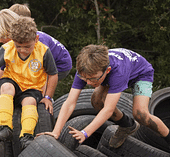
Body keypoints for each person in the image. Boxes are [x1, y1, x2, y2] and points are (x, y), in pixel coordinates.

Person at [37, 44, 170, 148]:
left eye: (93, 79)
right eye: (85, 79)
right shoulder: (85, 71)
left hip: (140, 73)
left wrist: (85, 132)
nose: (88, 83)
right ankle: (127, 125)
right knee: (96, 101)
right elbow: (70, 102)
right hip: (112, 73)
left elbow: (108, 110)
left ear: (107, 71)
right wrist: (56, 131)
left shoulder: (117, 72)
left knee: (140, 114)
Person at [0, 16, 58, 150]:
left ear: (36, 39)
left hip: (32, 88)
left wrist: (48, 97)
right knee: (6, 87)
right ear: (13, 41)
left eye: (27, 47)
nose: (23, 50)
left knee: (30, 102)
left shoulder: (44, 51)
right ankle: (6, 127)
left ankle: (27, 136)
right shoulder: (7, 48)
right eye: (18, 46)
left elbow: (53, 74)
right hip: (12, 82)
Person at [0, 8, 72, 111]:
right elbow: (3, 71)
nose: (0, 40)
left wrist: (46, 97)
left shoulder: (36, 42)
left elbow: (47, 74)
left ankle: (45, 105)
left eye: (2, 36)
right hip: (46, 63)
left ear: (11, 31)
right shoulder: (13, 47)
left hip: (61, 64)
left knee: (36, 86)